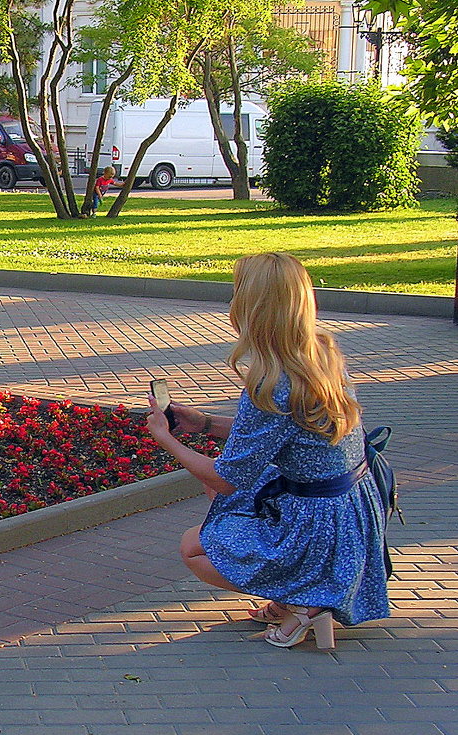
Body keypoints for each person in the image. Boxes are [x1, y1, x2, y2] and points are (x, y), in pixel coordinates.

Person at [146, 252, 389, 650]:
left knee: (194, 549)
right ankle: (300, 591)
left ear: (253, 309)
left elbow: (226, 479)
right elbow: (281, 434)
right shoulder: (321, 353)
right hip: (352, 510)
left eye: (237, 294)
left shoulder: (270, 385)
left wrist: (167, 439)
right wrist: (204, 424)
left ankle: (306, 601)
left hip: (318, 523)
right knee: (228, 498)